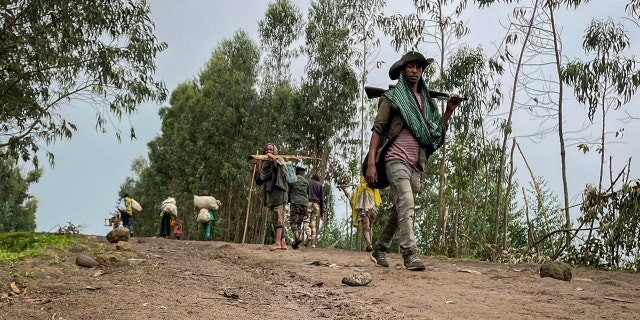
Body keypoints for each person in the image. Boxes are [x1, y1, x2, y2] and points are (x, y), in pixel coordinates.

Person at [365, 51, 461, 271]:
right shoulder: (392, 98)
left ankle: (380, 248)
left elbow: (435, 132)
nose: (414, 71)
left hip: (416, 163)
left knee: (400, 209)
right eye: (410, 67)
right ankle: (410, 253)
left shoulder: (427, 102)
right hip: (394, 159)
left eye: (418, 67)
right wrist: (371, 163)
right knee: (406, 203)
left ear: (422, 71)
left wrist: (448, 111)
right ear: (402, 70)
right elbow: (377, 131)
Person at [255, 142, 289, 251]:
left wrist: (274, 159)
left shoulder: (279, 161)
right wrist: (257, 167)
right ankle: (283, 242)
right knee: (276, 219)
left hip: (279, 194)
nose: (268, 152)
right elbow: (260, 180)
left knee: (278, 218)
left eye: (271, 150)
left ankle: (278, 242)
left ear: (274, 151)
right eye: (267, 150)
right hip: (270, 196)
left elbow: (280, 169)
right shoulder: (265, 165)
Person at [340, 176, 382, 252]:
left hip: (365, 210)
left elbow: (350, 197)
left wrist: (344, 189)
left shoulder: (359, 188)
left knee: (366, 228)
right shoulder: (373, 187)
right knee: (369, 227)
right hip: (374, 211)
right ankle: (369, 245)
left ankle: (369, 244)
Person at [288, 166, 309, 249]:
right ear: (303, 173)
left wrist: (289, 200)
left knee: (293, 222)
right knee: (299, 223)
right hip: (304, 204)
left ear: (296, 172)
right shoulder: (306, 182)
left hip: (295, 203)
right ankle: (296, 243)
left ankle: (297, 236)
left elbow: (289, 191)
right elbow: (308, 193)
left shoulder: (293, 180)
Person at [304, 174, 324, 248]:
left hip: (308, 202)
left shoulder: (308, 182)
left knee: (306, 220)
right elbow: (322, 199)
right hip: (316, 204)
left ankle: (308, 235)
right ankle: (313, 243)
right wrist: (322, 212)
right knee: (313, 222)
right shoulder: (320, 185)